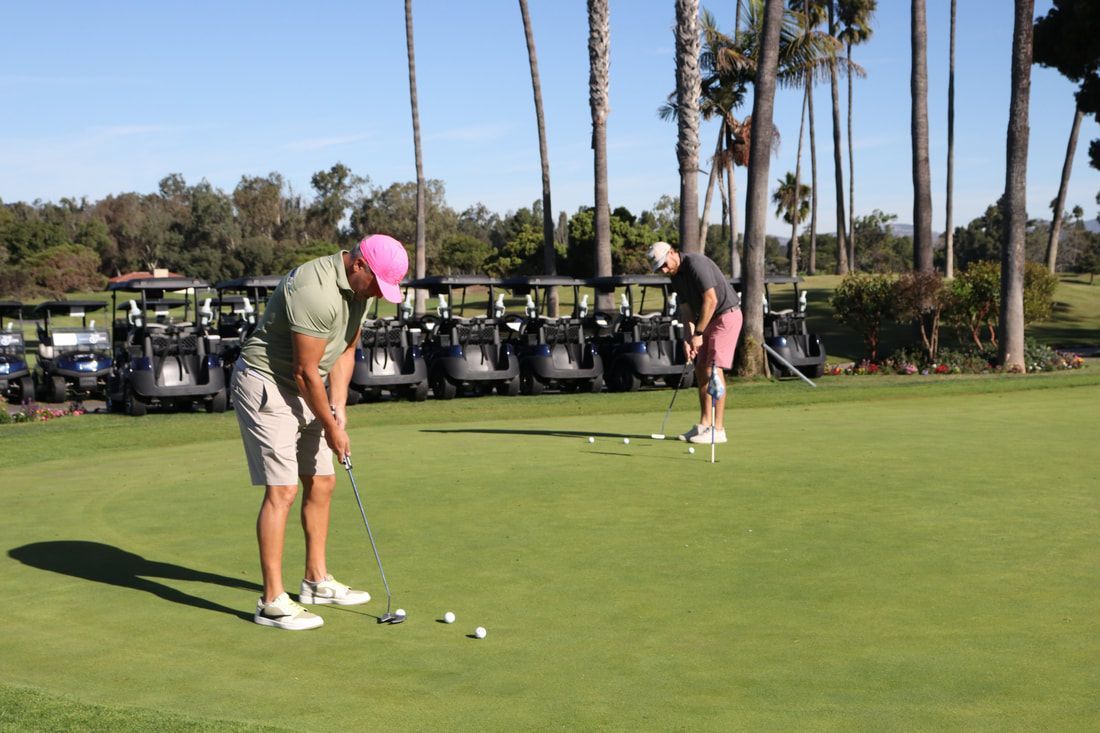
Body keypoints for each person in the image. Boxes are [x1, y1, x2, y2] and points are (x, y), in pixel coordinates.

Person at [232, 234, 409, 630]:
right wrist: (330, 426)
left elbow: (346, 350)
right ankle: (272, 601)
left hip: (308, 385)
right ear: (358, 265)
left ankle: (315, 581)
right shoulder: (316, 290)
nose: (379, 294)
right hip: (268, 384)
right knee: (283, 489)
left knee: (323, 481)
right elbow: (303, 370)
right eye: (378, 285)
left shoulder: (359, 294)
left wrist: (339, 408)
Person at [647, 241, 742, 445]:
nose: (664, 270)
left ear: (672, 252)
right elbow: (687, 311)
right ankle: (704, 425)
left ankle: (718, 429)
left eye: (664, 264)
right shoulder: (676, 277)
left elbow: (711, 300)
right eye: (660, 268)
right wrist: (688, 339)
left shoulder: (695, 263)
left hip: (726, 316)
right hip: (707, 319)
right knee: (700, 368)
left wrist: (698, 332)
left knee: (713, 369)